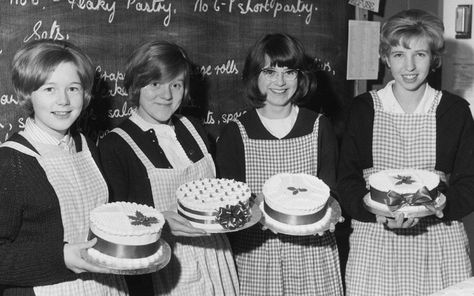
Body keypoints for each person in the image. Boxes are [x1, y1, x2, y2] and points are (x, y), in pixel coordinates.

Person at [337, 9, 474, 296]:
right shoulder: (364, 109)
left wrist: (439, 207)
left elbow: (470, 182)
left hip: (438, 242)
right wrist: (373, 211)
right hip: (374, 242)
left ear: (434, 58)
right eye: (399, 54)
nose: (409, 66)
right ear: (386, 58)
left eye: (420, 54)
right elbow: (346, 180)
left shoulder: (454, 111)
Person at [98, 40, 239, 296]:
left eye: (176, 84)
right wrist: (159, 222)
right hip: (162, 267)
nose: (166, 95)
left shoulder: (194, 128)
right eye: (155, 84)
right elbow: (114, 224)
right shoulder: (115, 145)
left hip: (216, 257)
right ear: (135, 86)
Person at [215, 33, 343, 295]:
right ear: (255, 76)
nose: (280, 82)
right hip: (258, 256)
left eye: (289, 72)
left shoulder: (319, 126)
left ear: (301, 77)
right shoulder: (236, 132)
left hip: (313, 255)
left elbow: (332, 194)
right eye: (270, 71)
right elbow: (229, 207)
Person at [0, 39, 128, 295]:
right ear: (28, 93)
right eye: (49, 89)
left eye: (73, 88)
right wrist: (61, 257)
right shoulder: (11, 163)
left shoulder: (87, 146)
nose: (63, 101)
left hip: (105, 287)